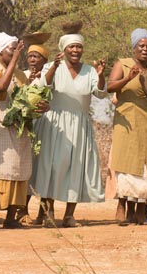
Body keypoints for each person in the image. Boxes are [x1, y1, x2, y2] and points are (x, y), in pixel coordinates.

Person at [30, 33, 106, 228]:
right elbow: (43, 86)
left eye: (78, 47)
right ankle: (48, 212)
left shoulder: (90, 71)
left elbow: (100, 93)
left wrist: (101, 75)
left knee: (76, 167)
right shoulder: (52, 67)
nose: (75, 50)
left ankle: (69, 215)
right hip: (56, 124)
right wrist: (54, 67)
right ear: (63, 50)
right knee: (52, 166)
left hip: (80, 125)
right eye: (71, 47)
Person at [107, 29, 147, 226]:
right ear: (134, 47)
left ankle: (141, 211)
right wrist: (128, 78)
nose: (145, 49)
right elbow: (109, 87)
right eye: (141, 46)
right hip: (128, 122)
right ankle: (123, 206)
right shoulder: (123, 64)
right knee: (127, 163)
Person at [0, 33, 38, 229]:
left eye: (16, 49)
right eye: (12, 49)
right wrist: (13, 62)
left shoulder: (21, 75)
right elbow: (0, 88)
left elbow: (28, 97)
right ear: (0, 51)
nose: (15, 53)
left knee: (18, 168)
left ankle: (12, 216)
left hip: (19, 126)